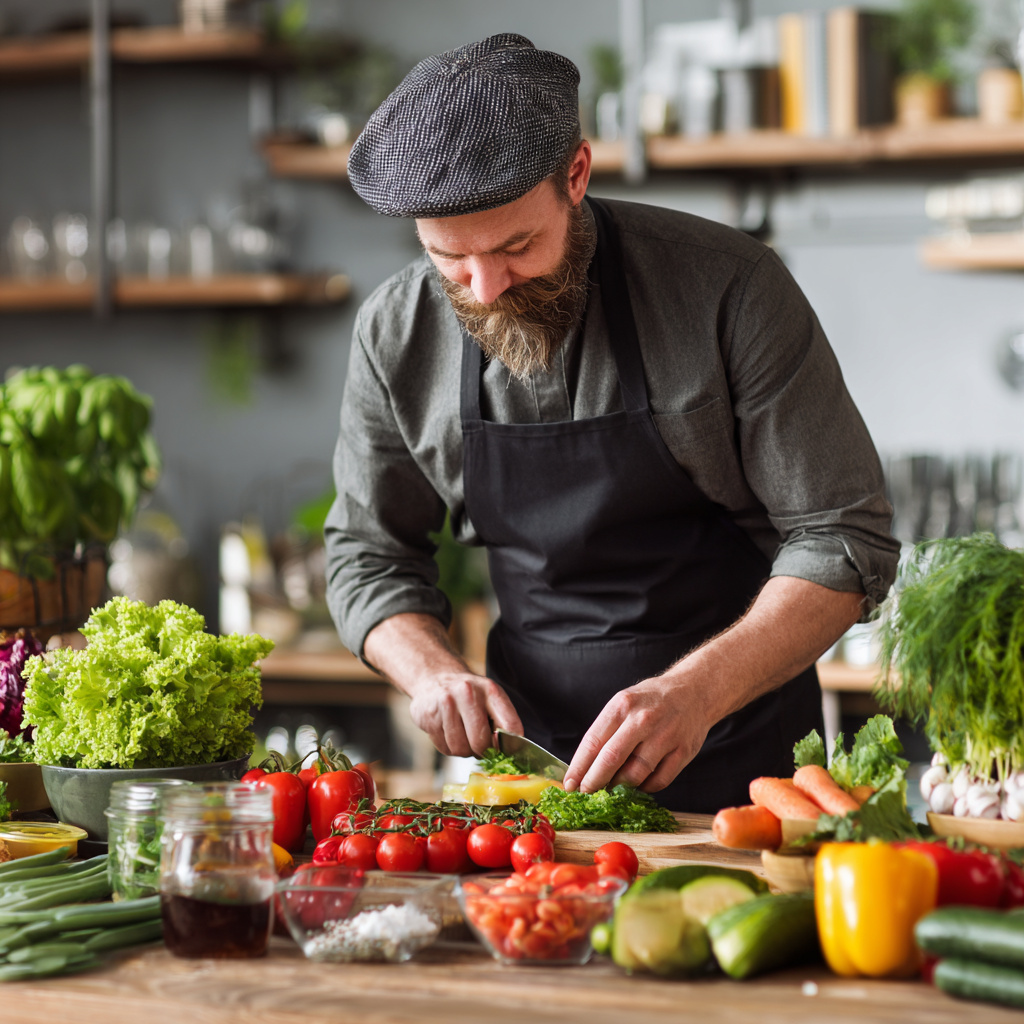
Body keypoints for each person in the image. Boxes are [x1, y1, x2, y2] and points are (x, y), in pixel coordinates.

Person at [324, 34, 899, 812]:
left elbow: (846, 536)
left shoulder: (730, 288)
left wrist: (696, 691)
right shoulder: (396, 331)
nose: (486, 289)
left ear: (577, 174)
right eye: (449, 259)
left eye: (516, 245)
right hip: (532, 777)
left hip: (742, 765)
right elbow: (367, 553)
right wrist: (429, 669)